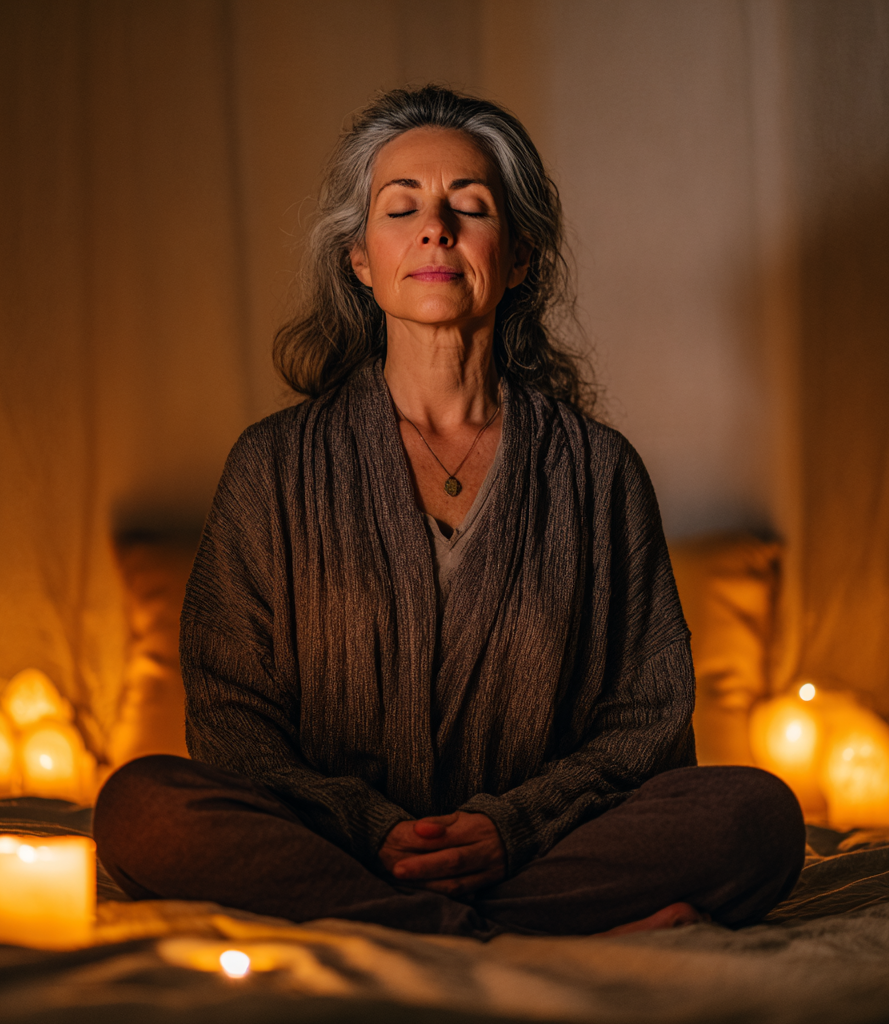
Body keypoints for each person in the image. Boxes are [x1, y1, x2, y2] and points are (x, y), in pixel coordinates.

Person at [94, 85, 804, 939]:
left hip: (543, 850)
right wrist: (369, 827)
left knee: (756, 813)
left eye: (469, 206)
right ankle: (501, 935)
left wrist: (513, 828)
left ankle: (408, 927)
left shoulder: (599, 473)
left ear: (518, 256)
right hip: (334, 847)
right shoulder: (274, 465)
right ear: (360, 258)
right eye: (403, 209)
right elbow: (233, 723)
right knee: (141, 807)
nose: (436, 228)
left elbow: (645, 725)